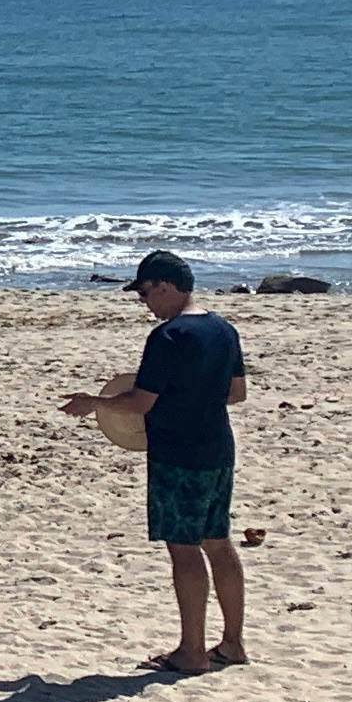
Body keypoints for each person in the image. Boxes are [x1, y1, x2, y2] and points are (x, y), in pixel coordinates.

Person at [60, 248, 249, 677]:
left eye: (145, 293)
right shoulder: (224, 330)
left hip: (178, 454)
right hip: (218, 447)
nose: (144, 303)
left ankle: (192, 651)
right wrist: (195, 400)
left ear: (165, 286)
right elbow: (236, 394)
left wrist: (95, 403)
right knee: (218, 542)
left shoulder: (167, 337)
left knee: (184, 551)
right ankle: (233, 643)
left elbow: (141, 401)